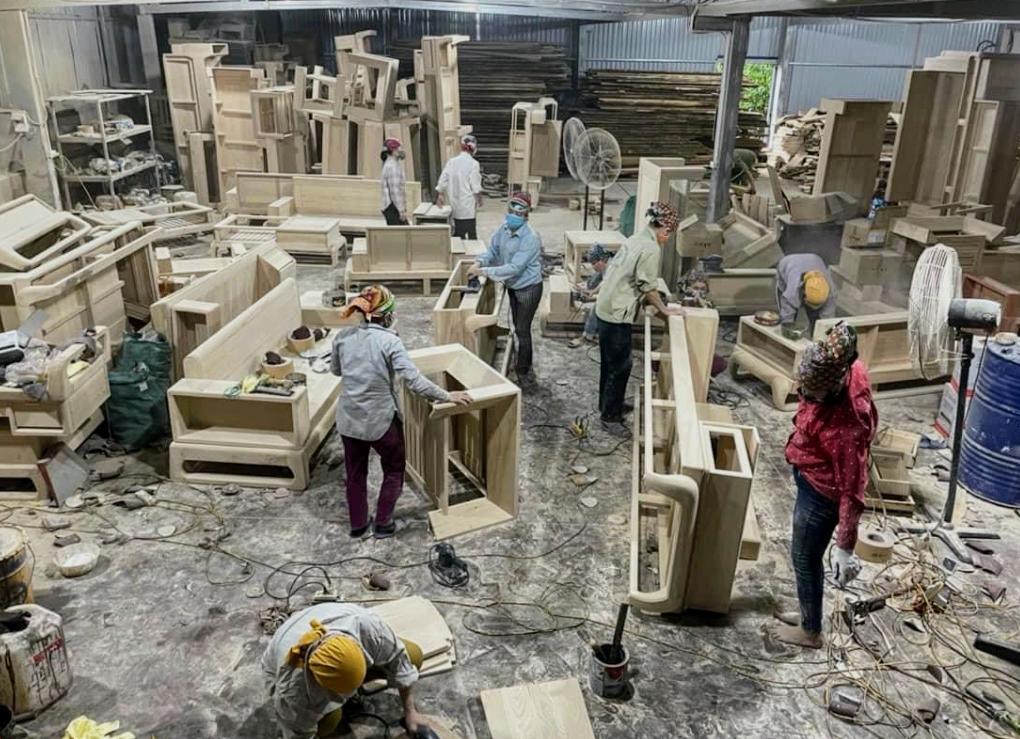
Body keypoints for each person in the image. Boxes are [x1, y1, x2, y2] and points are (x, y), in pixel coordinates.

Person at [331, 285, 471, 539]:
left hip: (349, 419)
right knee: (394, 469)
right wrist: (446, 395)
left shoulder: (342, 337)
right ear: (387, 315)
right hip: (381, 420)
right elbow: (414, 382)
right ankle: (383, 523)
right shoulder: (390, 342)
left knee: (355, 474)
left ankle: (358, 525)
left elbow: (336, 371)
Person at [774, 322, 877, 649]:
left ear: (832, 390)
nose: (805, 396)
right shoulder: (848, 367)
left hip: (821, 496)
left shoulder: (845, 427)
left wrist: (845, 546)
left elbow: (852, 489)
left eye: (812, 393)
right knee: (805, 556)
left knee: (804, 558)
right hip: (810, 477)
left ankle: (810, 632)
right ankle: (809, 615)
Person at [262, 602, 432, 739]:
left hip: (326, 622)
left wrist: (411, 712)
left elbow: (399, 659)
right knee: (328, 723)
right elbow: (298, 733)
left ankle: (351, 683)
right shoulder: (294, 689)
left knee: (414, 655)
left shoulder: (366, 627)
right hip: (281, 662)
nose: (349, 696)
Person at [594, 201, 684, 424]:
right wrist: (664, 310)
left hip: (604, 307)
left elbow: (625, 275)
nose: (666, 239)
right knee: (622, 365)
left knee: (608, 361)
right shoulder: (651, 248)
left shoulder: (634, 239)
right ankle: (611, 414)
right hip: (617, 313)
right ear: (665, 230)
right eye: (668, 235)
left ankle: (607, 404)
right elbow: (647, 286)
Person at [468, 192, 542, 381]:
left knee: (522, 329)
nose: (514, 216)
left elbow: (515, 268)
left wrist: (484, 271)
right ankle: (521, 361)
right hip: (513, 285)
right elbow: (493, 251)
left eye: (519, 213)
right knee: (517, 324)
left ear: (526, 216)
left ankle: (523, 369)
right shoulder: (503, 229)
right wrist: (479, 261)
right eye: (511, 212)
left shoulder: (530, 238)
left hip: (528, 287)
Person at [435, 134, 483, 239]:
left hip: (455, 204)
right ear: (474, 148)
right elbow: (475, 186)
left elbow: (443, 179)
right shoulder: (474, 164)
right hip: (468, 206)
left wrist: (440, 194)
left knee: (458, 234)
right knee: (471, 236)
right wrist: (480, 199)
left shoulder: (452, 162)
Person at [775, 253, 836, 334]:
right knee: (789, 315)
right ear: (803, 292)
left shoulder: (831, 293)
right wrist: (788, 330)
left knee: (815, 319)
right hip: (788, 263)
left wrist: (825, 334)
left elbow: (827, 321)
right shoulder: (792, 292)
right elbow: (786, 320)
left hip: (814, 259)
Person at [568, 244, 613, 349]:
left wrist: (592, 297)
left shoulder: (613, 269)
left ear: (602, 259)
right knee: (597, 275)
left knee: (598, 306)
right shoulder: (606, 263)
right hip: (609, 283)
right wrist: (591, 290)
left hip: (620, 293)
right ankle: (587, 286)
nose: (592, 266)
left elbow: (607, 289)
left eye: (594, 263)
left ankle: (587, 336)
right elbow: (604, 281)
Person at [380, 138, 408, 225]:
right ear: (394, 150)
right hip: (393, 208)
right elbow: (395, 191)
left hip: (392, 207)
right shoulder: (393, 167)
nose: (402, 150)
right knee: (405, 232)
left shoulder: (390, 164)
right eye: (400, 148)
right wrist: (401, 210)